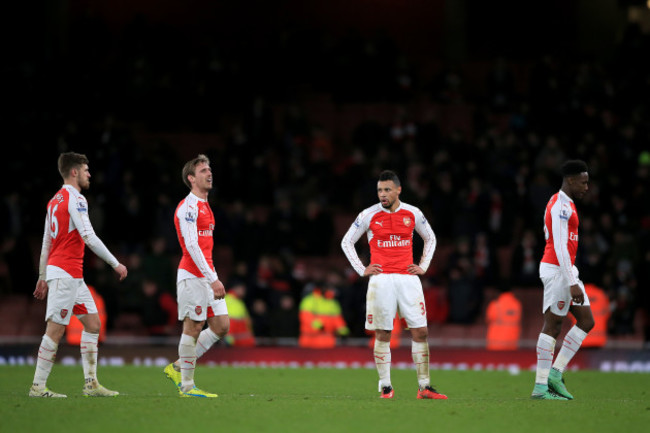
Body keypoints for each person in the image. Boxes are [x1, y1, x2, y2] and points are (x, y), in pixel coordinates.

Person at [341, 170, 447, 400]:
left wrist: (424, 265)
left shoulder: (413, 212)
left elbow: (430, 237)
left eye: (387, 189)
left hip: (408, 279)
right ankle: (387, 387)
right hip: (381, 281)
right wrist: (362, 269)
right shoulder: (368, 215)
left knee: (420, 331)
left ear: (399, 190)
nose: (383, 194)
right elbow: (346, 241)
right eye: (379, 190)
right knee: (383, 333)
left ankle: (425, 387)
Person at [30, 152, 128, 398]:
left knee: (93, 324)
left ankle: (91, 383)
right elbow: (88, 236)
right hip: (65, 273)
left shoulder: (54, 201)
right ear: (74, 172)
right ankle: (37, 387)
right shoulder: (76, 199)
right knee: (55, 329)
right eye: (86, 170)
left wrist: (42, 275)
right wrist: (115, 263)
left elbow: (46, 242)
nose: (89, 174)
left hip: (69, 274)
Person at [163, 154, 229, 398]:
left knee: (222, 326)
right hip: (192, 274)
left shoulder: (205, 205)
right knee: (193, 326)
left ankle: (179, 365)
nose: (209, 173)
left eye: (209, 169)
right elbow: (191, 246)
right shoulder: (188, 207)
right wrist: (212, 278)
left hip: (207, 273)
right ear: (191, 178)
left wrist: (211, 275)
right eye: (202, 171)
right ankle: (187, 387)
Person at [531, 160, 594, 400]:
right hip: (558, 270)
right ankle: (540, 387)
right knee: (553, 325)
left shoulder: (566, 204)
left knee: (587, 321)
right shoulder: (560, 206)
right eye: (583, 182)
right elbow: (558, 244)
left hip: (565, 269)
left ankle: (555, 374)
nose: (586, 187)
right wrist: (571, 280)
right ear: (570, 179)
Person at [570, 283, 610, 348]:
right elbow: (607, 314)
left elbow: (569, 315)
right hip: (599, 341)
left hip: (580, 341)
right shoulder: (601, 294)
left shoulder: (575, 294)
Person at [485, 285, 522, 350]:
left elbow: (488, 319)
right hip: (512, 342)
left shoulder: (495, 304)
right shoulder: (517, 304)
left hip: (495, 343)